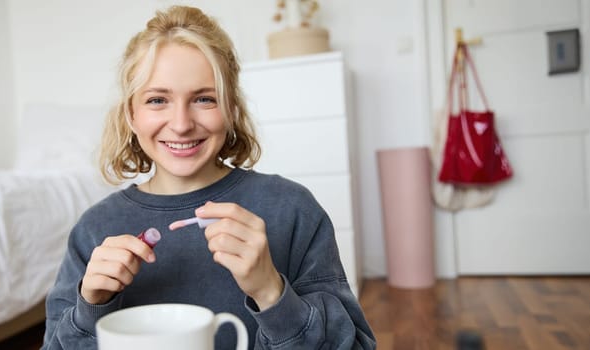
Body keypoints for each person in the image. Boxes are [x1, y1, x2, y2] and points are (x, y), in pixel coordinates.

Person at [42, 5, 376, 350]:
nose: (182, 123)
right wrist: (90, 309)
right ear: (131, 114)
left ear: (231, 107)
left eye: (204, 99)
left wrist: (270, 291)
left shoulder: (292, 210)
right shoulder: (94, 230)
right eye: (157, 100)